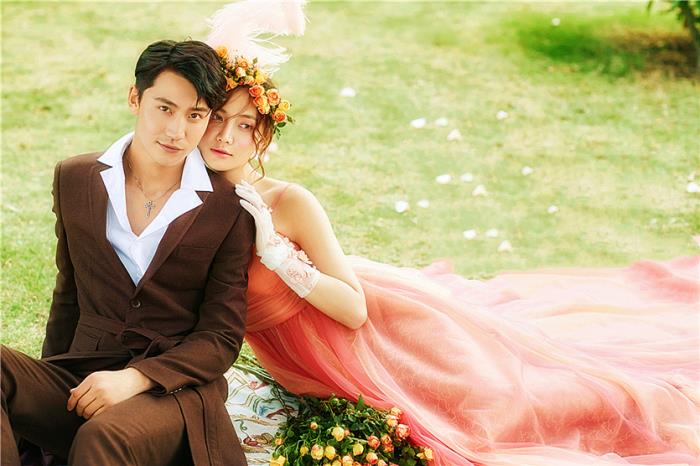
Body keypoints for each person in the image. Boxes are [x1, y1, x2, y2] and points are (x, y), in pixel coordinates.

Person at [198, 34, 700, 466]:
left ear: (263, 135)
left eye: (244, 124)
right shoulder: (184, 206)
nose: (225, 136)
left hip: (385, 345)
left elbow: (353, 310)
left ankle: (660, 395)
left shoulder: (287, 203)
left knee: (516, 410)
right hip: (311, 371)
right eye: (217, 117)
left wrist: (280, 257)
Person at [1, 39, 254, 466]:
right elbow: (69, 297)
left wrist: (135, 378)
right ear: (135, 98)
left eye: (195, 115)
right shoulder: (74, 178)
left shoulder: (229, 208)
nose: (177, 131)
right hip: (82, 374)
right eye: (164, 108)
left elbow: (221, 337)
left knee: (102, 437)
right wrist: (38, 408)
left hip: (171, 392)